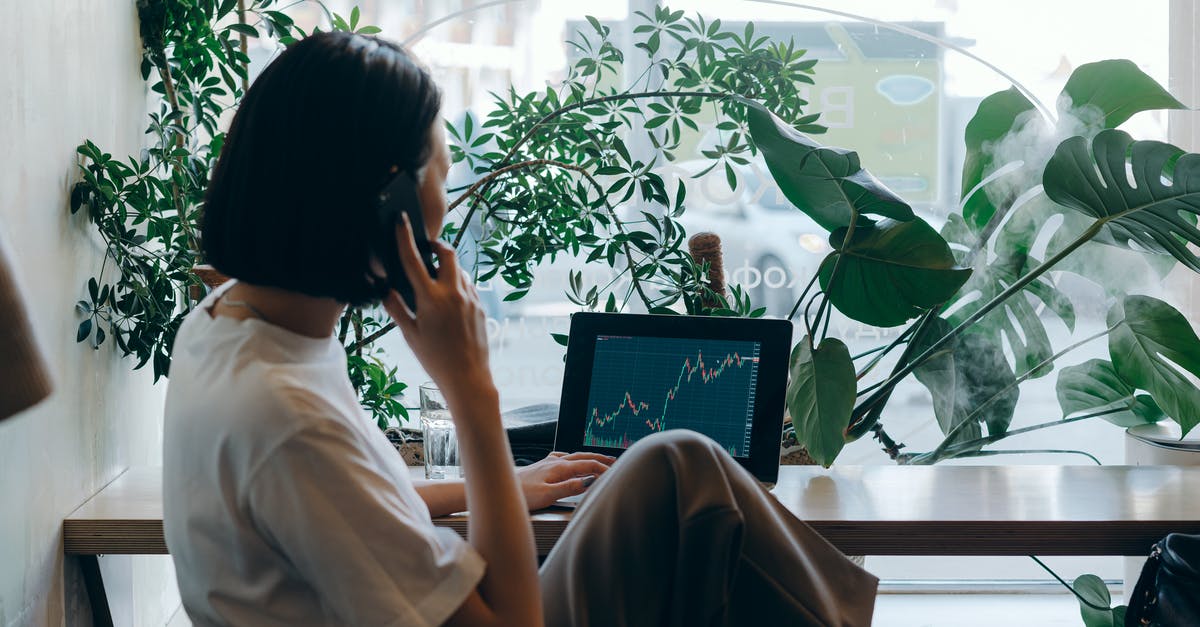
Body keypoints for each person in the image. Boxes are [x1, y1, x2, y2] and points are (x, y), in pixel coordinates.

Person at [162, 31, 877, 627]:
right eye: (444, 173)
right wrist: (471, 389)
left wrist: (507, 483)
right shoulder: (290, 420)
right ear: (391, 205)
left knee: (677, 465)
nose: (451, 199)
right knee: (694, 497)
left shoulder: (229, 325)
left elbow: (354, 502)